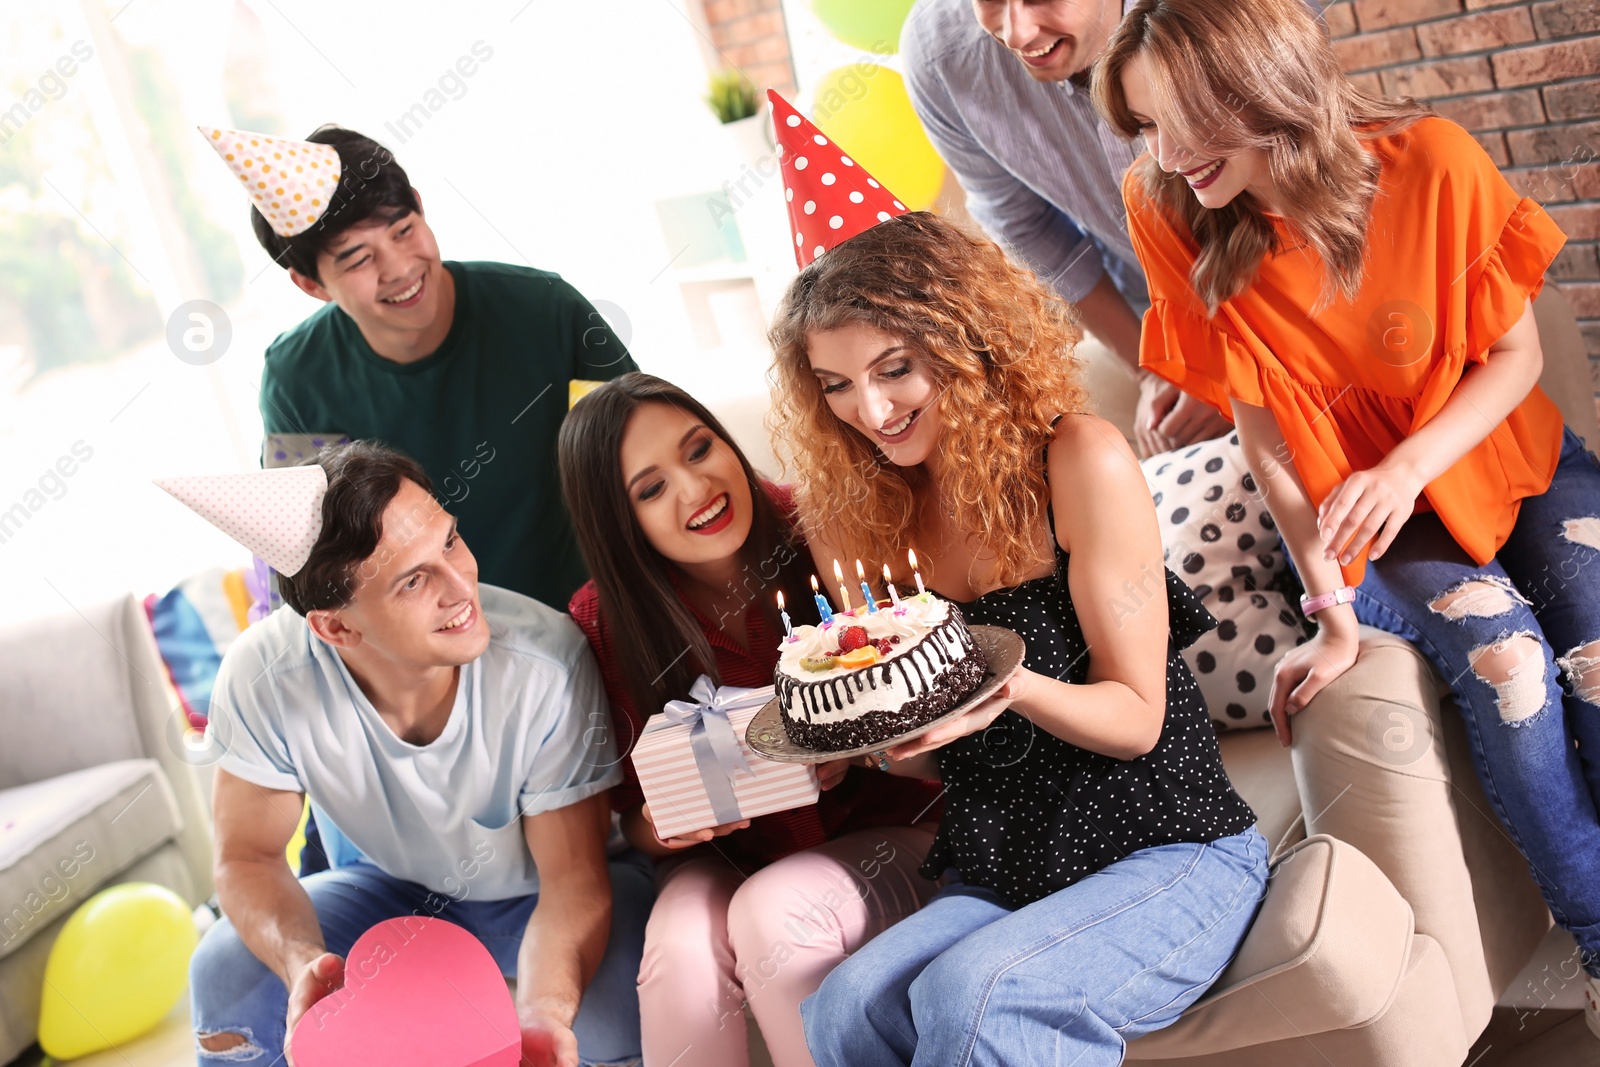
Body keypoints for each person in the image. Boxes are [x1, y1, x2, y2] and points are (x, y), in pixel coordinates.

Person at [1091, 0, 1600, 1032]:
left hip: (1506, 459)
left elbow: (1516, 359)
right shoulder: (1170, 207)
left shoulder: (1432, 164)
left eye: (1183, 119)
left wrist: (1409, 465)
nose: (1166, 152)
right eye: (1145, 126)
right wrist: (1330, 613)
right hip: (1364, 518)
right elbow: (1265, 440)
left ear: (1258, 82)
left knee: (1593, 657)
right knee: (1510, 674)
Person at [766, 207, 1266, 1064]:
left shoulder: (1078, 459)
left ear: (967, 343)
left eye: (894, 368)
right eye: (836, 384)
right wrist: (866, 742)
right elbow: (926, 751)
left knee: (975, 994)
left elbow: (1140, 717)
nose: (871, 409)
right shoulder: (858, 519)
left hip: (1172, 848)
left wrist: (1011, 687)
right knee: (847, 1005)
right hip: (1009, 874)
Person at [167, 442, 651, 1067]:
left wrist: (542, 1014)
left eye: (449, 542)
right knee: (226, 972)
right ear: (335, 628)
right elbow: (247, 858)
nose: (461, 585)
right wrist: (303, 964)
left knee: (605, 1031)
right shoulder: (264, 675)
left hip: (546, 896)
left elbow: (573, 883)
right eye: (414, 580)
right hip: (391, 895)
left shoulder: (546, 663)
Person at [561, 372, 946, 1067]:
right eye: (650, 489)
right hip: (730, 858)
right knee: (680, 943)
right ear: (621, 523)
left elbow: (930, 699)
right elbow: (634, 824)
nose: (696, 488)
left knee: (771, 912)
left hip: (895, 832)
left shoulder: (823, 527)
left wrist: (856, 748)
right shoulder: (601, 620)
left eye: (700, 448)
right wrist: (677, 821)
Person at [200, 123, 639, 611]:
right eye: (359, 259)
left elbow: (640, 458)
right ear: (310, 284)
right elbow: (310, 558)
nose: (400, 268)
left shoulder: (547, 310)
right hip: (429, 654)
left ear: (419, 204)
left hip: (595, 616)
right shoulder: (297, 380)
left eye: (403, 230)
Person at [900, 0, 1233, 455]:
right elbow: (1025, 225)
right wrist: (1159, 369)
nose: (1016, 34)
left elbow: (1298, 172)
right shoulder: (938, 52)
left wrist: (1240, 364)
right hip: (1157, 307)